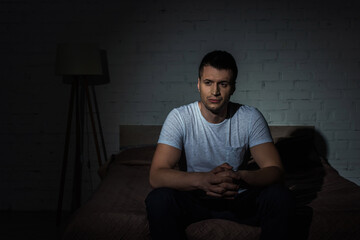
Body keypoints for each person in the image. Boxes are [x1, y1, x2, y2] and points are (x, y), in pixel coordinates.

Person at [145, 50, 295, 240]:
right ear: (198, 84)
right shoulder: (180, 118)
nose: (215, 91)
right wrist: (202, 180)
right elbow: (156, 175)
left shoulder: (249, 117)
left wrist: (240, 177)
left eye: (223, 84)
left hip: (237, 198)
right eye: (208, 83)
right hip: (195, 198)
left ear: (232, 88)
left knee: (280, 197)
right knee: (159, 199)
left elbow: (275, 171)